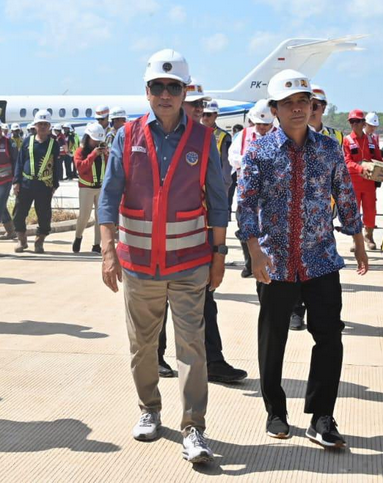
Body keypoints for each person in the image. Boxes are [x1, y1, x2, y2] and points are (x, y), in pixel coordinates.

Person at [98, 48, 227, 464]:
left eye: (175, 87)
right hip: (138, 265)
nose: (166, 94)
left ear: (185, 91)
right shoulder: (127, 135)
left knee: (192, 347)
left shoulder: (205, 140)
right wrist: (107, 250)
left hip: (189, 263)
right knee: (143, 346)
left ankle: (194, 428)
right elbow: (109, 195)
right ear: (148, 91)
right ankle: (149, 410)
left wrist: (220, 254)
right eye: (159, 87)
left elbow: (219, 202)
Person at [238, 69, 369, 448]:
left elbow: (345, 195)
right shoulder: (259, 152)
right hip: (275, 261)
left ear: (312, 106)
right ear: (275, 109)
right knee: (273, 336)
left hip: (321, 259)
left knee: (329, 336)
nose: (297, 109)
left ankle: (322, 416)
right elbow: (245, 205)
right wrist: (254, 253)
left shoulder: (329, 149)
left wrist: (357, 240)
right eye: (288, 103)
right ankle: (275, 410)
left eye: (303, 102)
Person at [157, 93, 247, 385]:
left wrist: (219, 248)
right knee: (159, 299)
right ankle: (156, 357)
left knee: (206, 300)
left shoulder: (208, 140)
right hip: (163, 236)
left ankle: (213, 361)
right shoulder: (157, 139)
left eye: (201, 106)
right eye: (194, 104)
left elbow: (219, 191)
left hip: (200, 234)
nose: (200, 109)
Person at [290, 84, 345, 332]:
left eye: (316, 106)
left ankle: (317, 312)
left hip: (322, 211)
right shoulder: (290, 134)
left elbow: (340, 177)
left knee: (317, 261)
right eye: (310, 105)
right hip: (292, 214)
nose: (311, 110)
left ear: (322, 108)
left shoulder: (335, 138)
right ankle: (296, 310)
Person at [230, 99, 275, 278]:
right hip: (246, 192)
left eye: (266, 124)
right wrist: (249, 161)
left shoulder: (280, 135)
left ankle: (269, 261)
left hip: (270, 194)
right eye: (259, 124)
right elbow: (232, 157)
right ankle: (249, 262)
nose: (262, 128)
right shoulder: (243, 135)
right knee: (244, 225)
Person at [13, 111, 62, 254]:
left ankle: (39, 241)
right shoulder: (27, 141)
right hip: (26, 183)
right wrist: (16, 181)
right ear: (35, 125)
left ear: (49, 126)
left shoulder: (54, 144)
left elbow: (57, 167)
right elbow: (20, 162)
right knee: (19, 213)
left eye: (45, 124)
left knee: (44, 215)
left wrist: (55, 184)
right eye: (40, 124)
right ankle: (21, 239)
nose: (43, 127)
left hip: (44, 186)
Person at [344, 109, 383, 250]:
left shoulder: (371, 140)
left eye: (357, 121)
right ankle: (356, 240)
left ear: (363, 123)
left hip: (369, 182)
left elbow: (378, 158)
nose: (354, 124)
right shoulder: (347, 141)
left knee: (370, 210)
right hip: (354, 182)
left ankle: (369, 236)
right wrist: (361, 168)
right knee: (354, 211)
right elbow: (347, 161)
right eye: (351, 121)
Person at [73, 122, 107, 254]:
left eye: (99, 141)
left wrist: (106, 154)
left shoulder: (103, 152)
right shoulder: (80, 152)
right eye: (95, 140)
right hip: (86, 188)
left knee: (100, 217)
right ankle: (78, 237)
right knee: (84, 216)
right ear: (88, 138)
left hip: (101, 188)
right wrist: (93, 155)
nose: (97, 143)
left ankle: (96, 244)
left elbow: (110, 166)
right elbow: (80, 168)